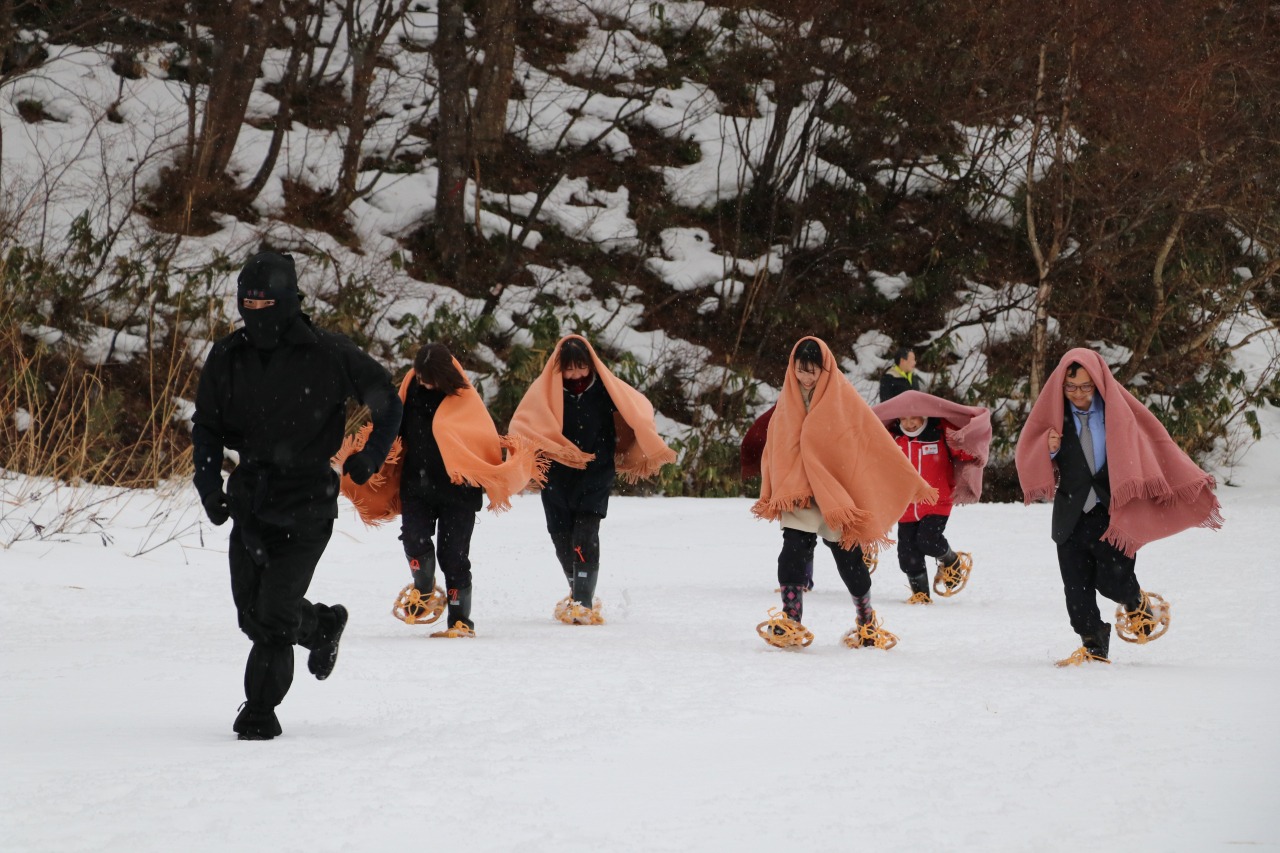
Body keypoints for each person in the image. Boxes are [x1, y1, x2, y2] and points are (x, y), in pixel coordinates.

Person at [191, 250, 403, 740]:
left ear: (287, 301)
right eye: (248, 301)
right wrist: (209, 486)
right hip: (250, 499)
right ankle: (320, 626)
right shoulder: (227, 356)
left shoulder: (330, 352)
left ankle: (259, 715)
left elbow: (387, 403)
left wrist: (370, 457)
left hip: (308, 501)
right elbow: (206, 427)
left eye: (266, 301)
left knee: (271, 617)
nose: (257, 309)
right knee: (251, 611)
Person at [1015, 348, 1223, 666]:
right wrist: (1049, 450)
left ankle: (1135, 601)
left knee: (1113, 580)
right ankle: (1093, 642)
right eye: (1071, 387)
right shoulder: (1056, 420)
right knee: (1076, 592)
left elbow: (1155, 443)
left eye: (1086, 386)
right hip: (1070, 515)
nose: (1079, 394)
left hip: (1112, 514)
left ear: (1098, 382)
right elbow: (1028, 449)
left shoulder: (1118, 413)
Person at [335, 343, 544, 638]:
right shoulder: (408, 395)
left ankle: (460, 620)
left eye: (430, 378)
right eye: (420, 377)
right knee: (413, 539)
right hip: (416, 487)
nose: (425, 383)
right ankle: (423, 587)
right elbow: (390, 431)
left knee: (454, 556)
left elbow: (483, 441)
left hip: (459, 491)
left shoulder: (466, 402)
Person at [752, 337, 937, 650]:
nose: (806, 377)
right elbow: (777, 446)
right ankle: (790, 617)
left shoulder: (842, 397)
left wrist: (904, 476)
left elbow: (868, 438)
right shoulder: (788, 400)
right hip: (799, 491)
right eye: (800, 370)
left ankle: (866, 619)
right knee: (793, 548)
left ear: (825, 369)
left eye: (812, 371)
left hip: (834, 494)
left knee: (847, 558)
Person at [508, 334, 676, 625]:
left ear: (592, 366)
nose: (575, 375)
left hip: (596, 471)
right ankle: (577, 588)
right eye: (569, 369)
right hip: (555, 474)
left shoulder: (606, 390)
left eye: (581, 368)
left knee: (586, 532)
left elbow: (637, 409)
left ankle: (583, 602)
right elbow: (522, 424)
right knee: (561, 536)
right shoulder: (545, 392)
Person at [871, 390, 991, 603]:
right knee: (907, 555)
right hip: (906, 507)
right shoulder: (892, 439)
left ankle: (952, 561)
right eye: (904, 419)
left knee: (928, 541)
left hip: (937, 502)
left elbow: (963, 450)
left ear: (925, 415)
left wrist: (969, 445)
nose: (909, 423)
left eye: (913, 418)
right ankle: (921, 595)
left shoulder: (940, 433)